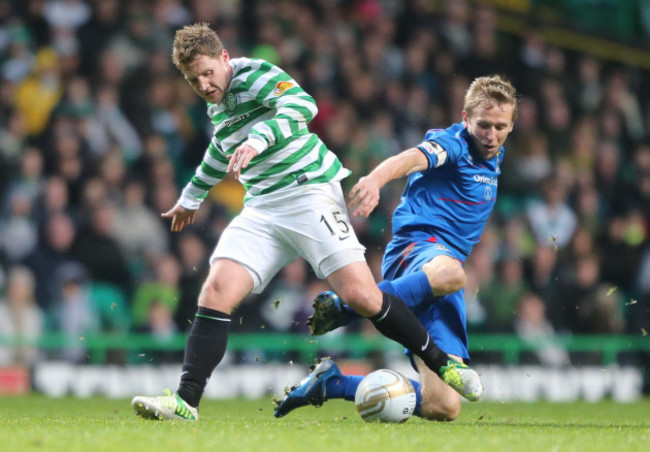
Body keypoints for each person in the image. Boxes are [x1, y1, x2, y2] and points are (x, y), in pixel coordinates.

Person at [131, 23, 481, 421]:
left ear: (224, 57)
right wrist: (191, 196)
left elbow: (302, 105)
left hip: (309, 191)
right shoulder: (217, 103)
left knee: (362, 297)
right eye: (194, 80)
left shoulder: (254, 74)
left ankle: (443, 364)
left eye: (208, 73)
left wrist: (258, 139)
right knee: (215, 291)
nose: (205, 84)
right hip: (263, 206)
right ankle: (186, 401)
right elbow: (221, 146)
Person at [275, 75, 517, 421]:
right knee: (453, 273)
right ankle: (347, 308)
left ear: (511, 125)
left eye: (500, 127)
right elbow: (411, 158)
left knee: (444, 407)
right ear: (465, 119)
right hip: (416, 250)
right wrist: (375, 179)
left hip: (441, 275)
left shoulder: (493, 155)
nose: (491, 135)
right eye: (483, 125)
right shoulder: (453, 143)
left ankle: (332, 384)